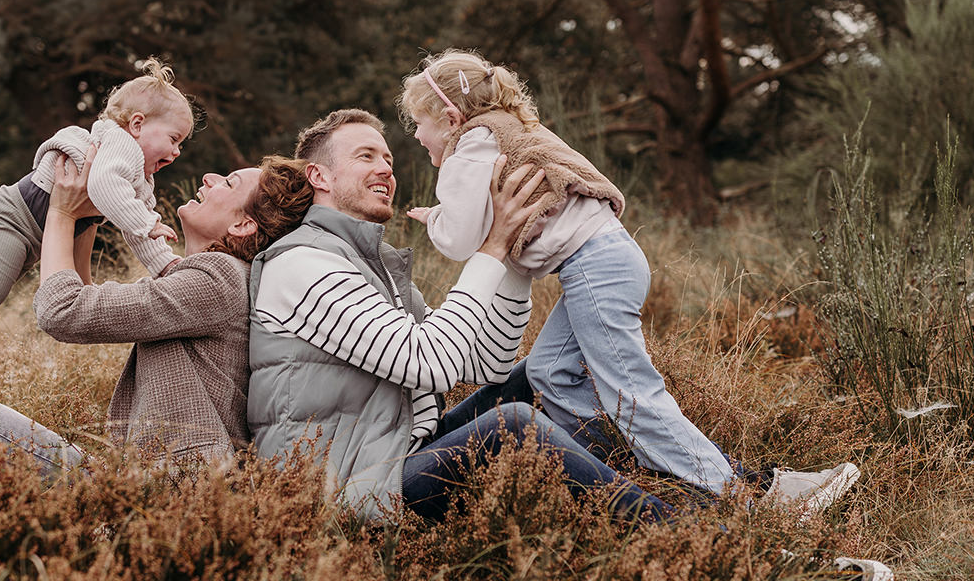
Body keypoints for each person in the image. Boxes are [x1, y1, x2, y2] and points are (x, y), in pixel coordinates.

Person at [398, 49, 859, 512]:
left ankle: (739, 499)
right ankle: (629, 468)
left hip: (596, 264)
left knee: (630, 392)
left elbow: (460, 240)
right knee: (547, 373)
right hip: (605, 258)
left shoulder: (470, 149)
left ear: (451, 117)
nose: (416, 135)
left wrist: (435, 217)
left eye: (419, 123)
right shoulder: (505, 131)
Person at [0, 147, 314, 534]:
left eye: (228, 181)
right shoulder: (208, 278)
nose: (207, 176)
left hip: (165, 498)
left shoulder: (218, 279)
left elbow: (62, 311)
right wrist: (88, 214)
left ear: (244, 223)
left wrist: (63, 213)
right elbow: (90, 303)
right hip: (153, 493)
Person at [248, 109, 678, 523]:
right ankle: (676, 524)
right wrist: (490, 249)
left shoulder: (373, 265)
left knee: (539, 375)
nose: (385, 169)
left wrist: (512, 249)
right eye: (366, 156)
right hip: (341, 484)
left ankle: (682, 471)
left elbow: (486, 365)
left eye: (388, 159)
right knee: (511, 423)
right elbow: (427, 364)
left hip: (396, 448)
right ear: (320, 176)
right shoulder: (304, 263)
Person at [0, 57, 194, 398]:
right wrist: (149, 222)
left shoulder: (138, 175)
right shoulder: (121, 146)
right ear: (138, 124)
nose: (176, 151)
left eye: (181, 144)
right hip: (8, 218)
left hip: (25, 229)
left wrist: (165, 264)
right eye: (173, 139)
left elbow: (136, 229)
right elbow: (105, 188)